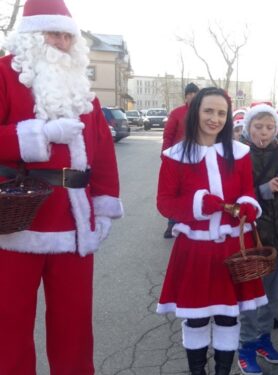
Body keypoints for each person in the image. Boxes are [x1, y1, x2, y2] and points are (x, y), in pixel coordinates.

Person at [0, 1, 123, 373]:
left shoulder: (83, 91)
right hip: (15, 223)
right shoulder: (5, 75)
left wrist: (103, 209)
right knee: (9, 325)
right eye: (54, 33)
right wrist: (37, 134)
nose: (61, 42)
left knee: (74, 324)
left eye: (67, 35)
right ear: (32, 37)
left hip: (73, 224)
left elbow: (102, 154)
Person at [156, 87, 266, 375]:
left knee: (228, 316)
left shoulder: (240, 153)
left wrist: (248, 207)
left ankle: (222, 372)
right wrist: (198, 204)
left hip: (231, 249)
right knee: (196, 318)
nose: (215, 118)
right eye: (208, 111)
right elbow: (165, 203)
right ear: (196, 112)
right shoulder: (174, 155)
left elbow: (247, 192)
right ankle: (197, 372)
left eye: (221, 113)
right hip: (194, 249)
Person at [237, 103, 278, 375]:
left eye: (269, 127)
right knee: (251, 299)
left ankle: (264, 340)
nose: (264, 132)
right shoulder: (238, 155)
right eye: (258, 126)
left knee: (271, 297)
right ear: (248, 128)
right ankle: (245, 348)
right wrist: (262, 190)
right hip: (253, 238)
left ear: (277, 129)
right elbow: (233, 197)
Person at [161, 82, 200, 238]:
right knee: (175, 191)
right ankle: (171, 224)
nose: (192, 96)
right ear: (185, 96)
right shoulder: (177, 113)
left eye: (194, 94)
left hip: (197, 159)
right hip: (177, 159)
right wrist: (165, 155)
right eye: (189, 94)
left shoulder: (203, 113)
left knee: (192, 191)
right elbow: (168, 135)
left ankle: (190, 221)